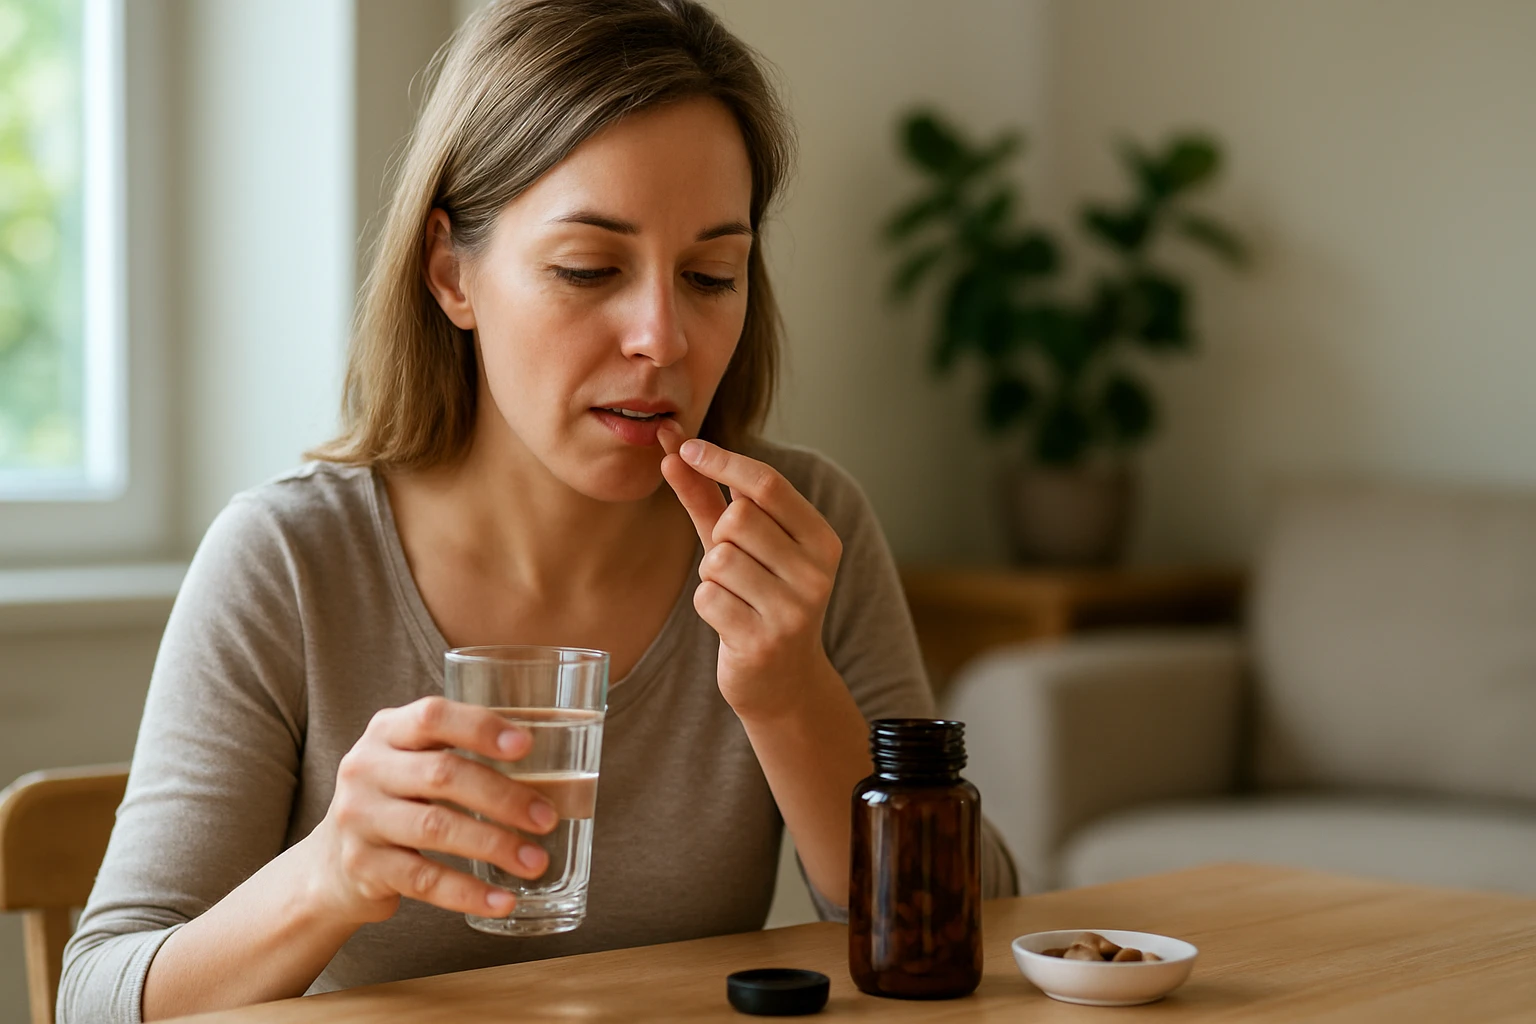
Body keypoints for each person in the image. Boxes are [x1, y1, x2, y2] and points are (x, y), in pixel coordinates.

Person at [59, 1, 1019, 1019]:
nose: (662, 336)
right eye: (588, 269)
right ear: (450, 271)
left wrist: (791, 695)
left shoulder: (800, 530)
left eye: (711, 274)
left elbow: (985, 937)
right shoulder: (290, 561)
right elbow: (95, 997)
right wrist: (326, 875)